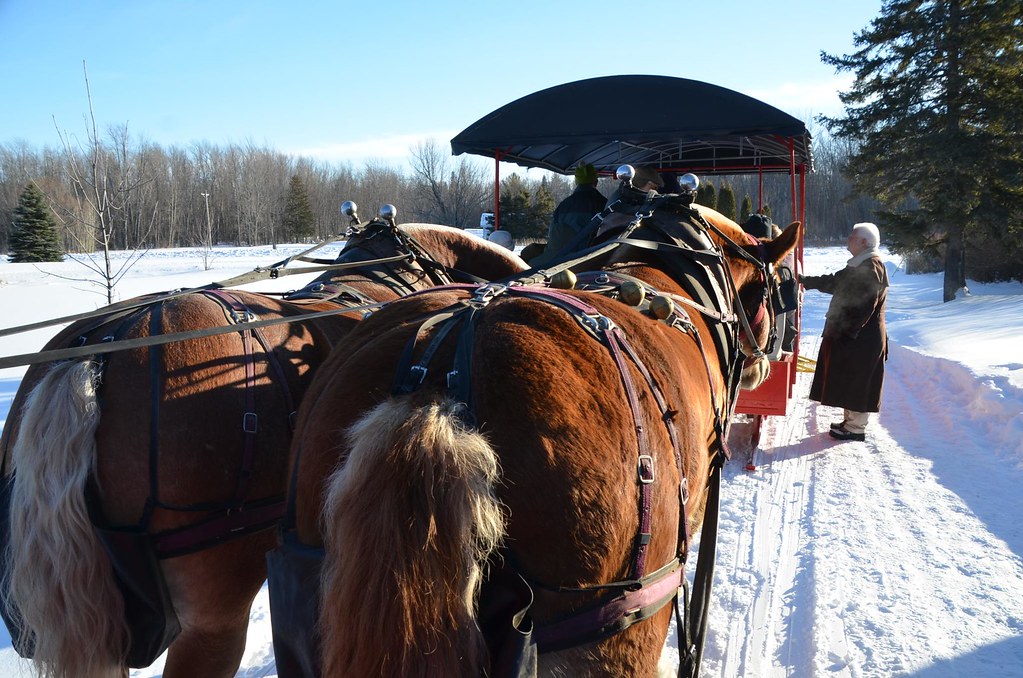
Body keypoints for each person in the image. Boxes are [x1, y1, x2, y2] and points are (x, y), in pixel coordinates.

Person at [800, 222, 889, 442]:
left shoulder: (872, 267)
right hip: (854, 336)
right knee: (851, 378)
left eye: (852, 236)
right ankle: (850, 422)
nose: (848, 239)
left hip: (861, 338)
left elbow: (866, 305)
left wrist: (846, 331)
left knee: (859, 380)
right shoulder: (859, 264)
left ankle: (856, 428)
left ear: (864, 242)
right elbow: (834, 282)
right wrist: (804, 281)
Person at [531, 163, 607, 265]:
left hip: (558, 259)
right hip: (592, 260)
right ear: (596, 182)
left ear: (577, 182)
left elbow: (552, 234)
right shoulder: (604, 204)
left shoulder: (563, 206)